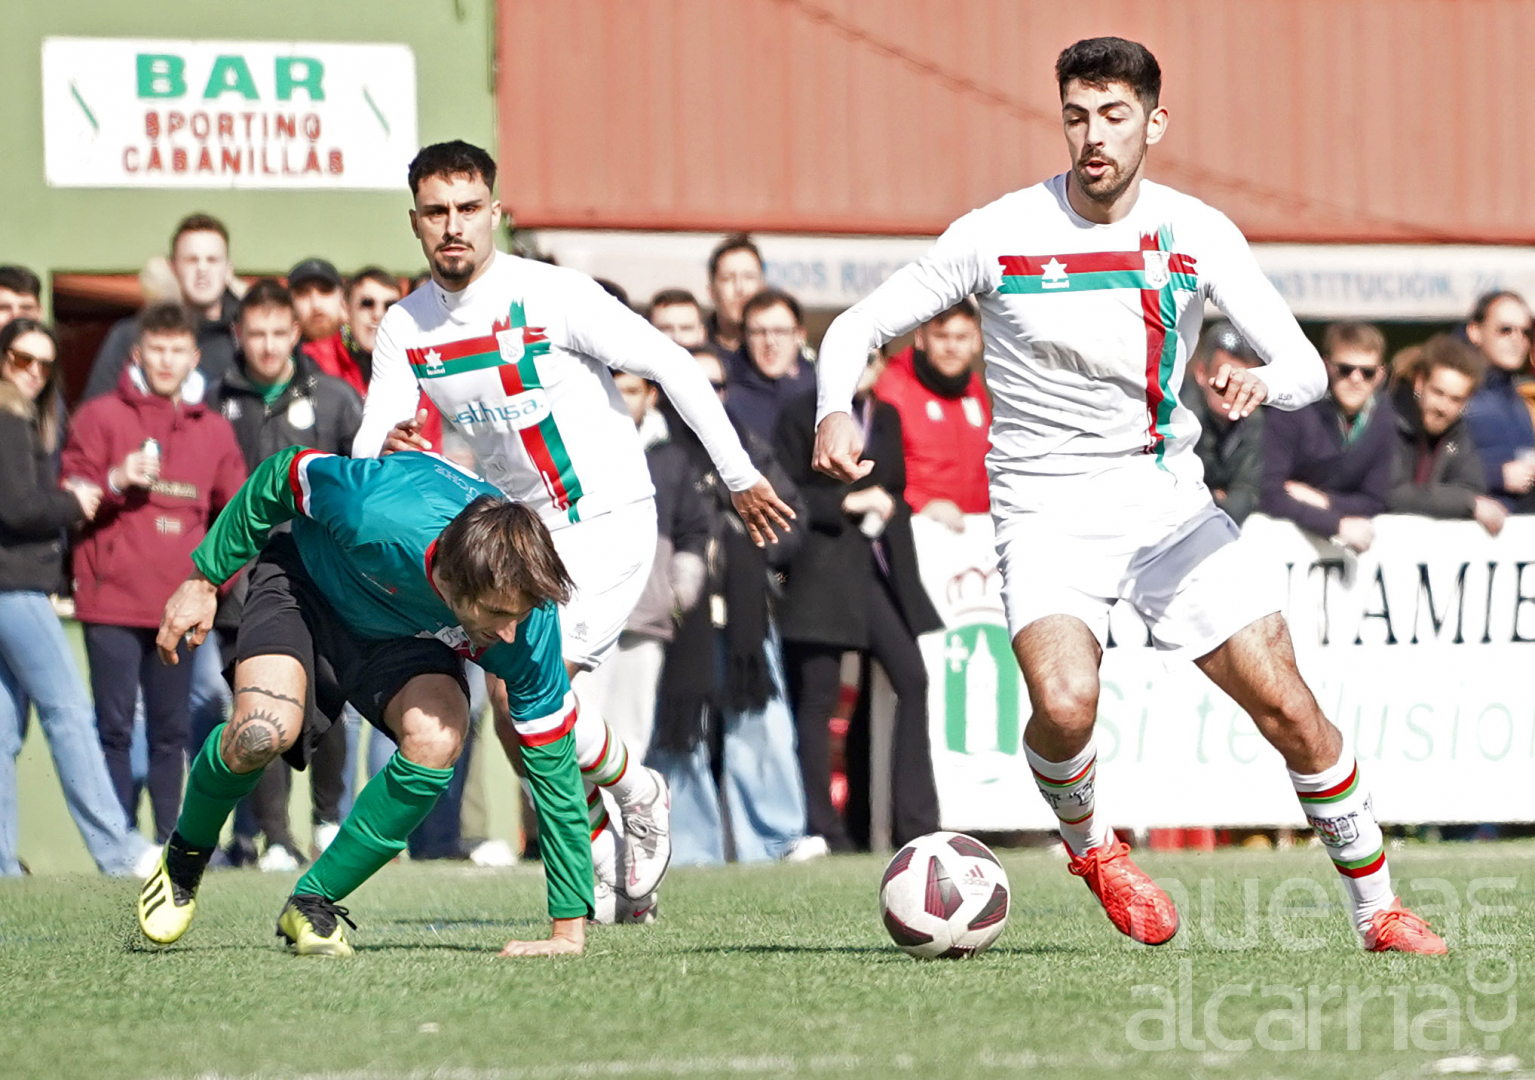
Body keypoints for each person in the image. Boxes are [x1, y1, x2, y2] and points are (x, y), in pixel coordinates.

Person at [811, 37, 1443, 953]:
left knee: (1288, 708)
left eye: (1113, 116)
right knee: (1065, 704)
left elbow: (1304, 364)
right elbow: (859, 324)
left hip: (1166, 504)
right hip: (1043, 509)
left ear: (1154, 123)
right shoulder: (998, 232)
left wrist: (1261, 382)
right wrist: (835, 409)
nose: (1092, 137)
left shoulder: (1196, 231)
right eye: (1076, 117)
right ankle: (1093, 848)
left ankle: (1376, 909)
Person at [353, 140, 794, 912]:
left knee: (534, 695)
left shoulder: (553, 294)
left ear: (494, 214)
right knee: (513, 717)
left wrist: (738, 475)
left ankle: (638, 789)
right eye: (436, 212)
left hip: (607, 516)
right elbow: (370, 437)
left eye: (468, 209)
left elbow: (671, 362)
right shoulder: (406, 325)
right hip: (522, 542)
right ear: (414, 222)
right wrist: (376, 456)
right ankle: (607, 865)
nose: (453, 226)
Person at [139, 447, 592, 957]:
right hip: (307, 587)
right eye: (496, 614)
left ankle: (313, 901)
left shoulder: (526, 621)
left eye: (520, 614)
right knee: (261, 732)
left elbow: (553, 768)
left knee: (438, 737)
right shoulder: (374, 510)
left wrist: (567, 931)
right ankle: (183, 859)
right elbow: (281, 474)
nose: (510, 634)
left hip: (406, 636)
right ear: (449, 581)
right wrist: (203, 580)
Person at [61, 303, 247, 841]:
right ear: (138, 354)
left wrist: (211, 586)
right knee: (114, 729)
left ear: (194, 357)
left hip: (177, 606)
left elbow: (236, 518)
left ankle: (170, 844)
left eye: (177, 350)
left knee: (171, 733)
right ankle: (116, 846)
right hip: (110, 603)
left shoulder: (213, 430)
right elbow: (68, 495)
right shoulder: (99, 416)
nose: (166, 361)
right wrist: (115, 479)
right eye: (157, 350)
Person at [215, 279, 365, 867]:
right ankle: (274, 837)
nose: (268, 345)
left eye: (280, 332)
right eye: (257, 333)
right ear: (238, 334)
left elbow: (362, 484)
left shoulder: (335, 398)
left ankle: (328, 822)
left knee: (329, 698)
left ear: (296, 332)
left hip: (322, 577)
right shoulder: (214, 400)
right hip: (243, 582)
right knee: (259, 708)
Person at [0, 319, 155, 878]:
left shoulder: (22, 418)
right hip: (16, 587)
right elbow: (17, 508)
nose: (33, 373)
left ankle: (2, 865)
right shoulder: (8, 420)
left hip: (14, 587)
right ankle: (117, 849)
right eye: (21, 359)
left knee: (2, 732)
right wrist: (73, 502)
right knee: (68, 713)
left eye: (44, 364)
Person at [649, 348, 813, 865]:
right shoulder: (657, 453)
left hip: (745, 611)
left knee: (761, 726)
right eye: (697, 385)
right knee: (681, 728)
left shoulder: (747, 447)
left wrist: (751, 542)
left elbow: (791, 517)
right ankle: (687, 849)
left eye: (718, 386)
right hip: (680, 612)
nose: (710, 396)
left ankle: (775, 840)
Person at [778, 355, 943, 852]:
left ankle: (916, 824)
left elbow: (895, 485)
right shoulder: (801, 412)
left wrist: (896, 504)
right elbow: (785, 489)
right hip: (819, 572)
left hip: (876, 569)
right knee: (818, 696)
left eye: (869, 357)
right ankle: (822, 828)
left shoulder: (885, 415)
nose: (861, 368)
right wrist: (845, 502)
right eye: (850, 359)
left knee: (911, 679)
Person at [584, 372, 709, 761]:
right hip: (586, 616)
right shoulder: (579, 446)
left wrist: (677, 593)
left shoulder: (672, 459)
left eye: (633, 391)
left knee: (630, 735)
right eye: (616, 389)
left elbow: (694, 531)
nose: (624, 399)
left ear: (651, 396)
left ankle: (618, 805)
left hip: (646, 617)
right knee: (580, 729)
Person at [1261, 321, 1394, 552]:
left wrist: (1322, 501)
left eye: (1367, 372)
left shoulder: (1385, 419)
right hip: (1278, 547)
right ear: (1327, 367)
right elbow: (1269, 493)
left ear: (1380, 375)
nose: (1355, 379)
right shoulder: (1291, 410)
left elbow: (1375, 500)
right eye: (1345, 369)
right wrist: (1337, 524)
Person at [83, 215, 240, 401]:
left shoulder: (247, 340)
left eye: (212, 260)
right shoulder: (132, 336)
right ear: (173, 267)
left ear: (228, 270)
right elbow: (96, 410)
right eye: (191, 260)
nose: (202, 269)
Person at [872, 300, 991, 530]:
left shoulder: (973, 388)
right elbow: (877, 470)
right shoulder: (892, 387)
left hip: (975, 530)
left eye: (961, 337)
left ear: (976, 340)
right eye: (941, 336)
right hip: (916, 527)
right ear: (920, 338)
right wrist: (923, 505)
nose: (951, 347)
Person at [1385, 334, 1503, 533]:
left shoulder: (1458, 431)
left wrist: (1465, 501)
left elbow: (1474, 487)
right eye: (1438, 393)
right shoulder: (1387, 421)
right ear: (1419, 383)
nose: (1443, 407)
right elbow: (1393, 493)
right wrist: (1466, 503)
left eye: (1456, 399)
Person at [1180, 320, 1265, 525]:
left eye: (1244, 381)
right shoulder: (1178, 416)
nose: (1233, 389)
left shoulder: (1253, 419)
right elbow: (1175, 486)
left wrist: (1222, 512)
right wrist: (1215, 498)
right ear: (1201, 373)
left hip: (1222, 524)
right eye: (1224, 377)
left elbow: (1248, 489)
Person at [1462, 290, 1535, 510]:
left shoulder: (1522, 398)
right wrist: (1496, 476)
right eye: (1505, 330)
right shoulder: (1456, 392)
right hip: (1471, 523)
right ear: (1475, 332)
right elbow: (1429, 468)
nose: (1517, 339)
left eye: (1526, 332)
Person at [725, 289, 817, 443]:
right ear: (743, 336)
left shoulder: (821, 395)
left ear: (800, 335)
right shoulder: (726, 394)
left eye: (780, 331)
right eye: (758, 332)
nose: (769, 342)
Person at [706, 234, 766, 354]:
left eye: (748, 277)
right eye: (728, 278)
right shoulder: (694, 348)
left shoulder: (782, 349)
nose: (740, 288)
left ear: (762, 287)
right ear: (712, 291)